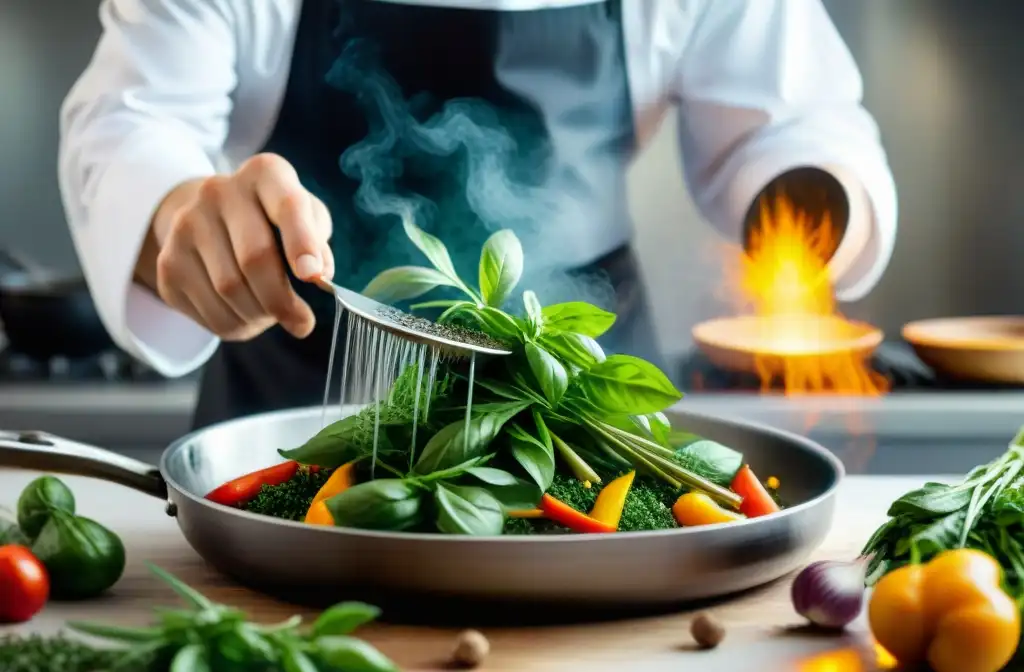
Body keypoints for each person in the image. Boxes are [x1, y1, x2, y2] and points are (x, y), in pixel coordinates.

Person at [59, 0, 897, 430]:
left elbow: (794, 124)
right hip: (298, 409)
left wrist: (807, 205)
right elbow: (133, 122)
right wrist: (179, 217)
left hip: (587, 418)